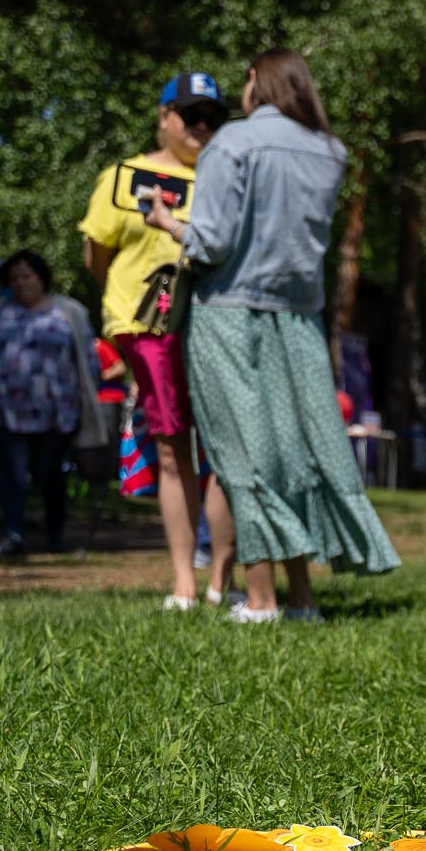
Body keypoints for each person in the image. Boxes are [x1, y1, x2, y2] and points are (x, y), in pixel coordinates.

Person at [145, 47, 398, 623]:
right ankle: (302, 600)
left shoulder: (231, 143)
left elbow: (211, 243)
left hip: (229, 314)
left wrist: (167, 223)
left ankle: (260, 602)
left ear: (256, 80)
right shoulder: (329, 151)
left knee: (244, 457)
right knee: (293, 456)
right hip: (299, 317)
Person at [81, 72, 231, 608]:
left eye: (213, 117)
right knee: (171, 446)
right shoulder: (123, 177)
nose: (202, 127)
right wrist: (132, 309)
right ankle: (184, 583)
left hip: (217, 325)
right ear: (164, 117)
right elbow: (97, 254)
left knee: (226, 449)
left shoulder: (227, 177)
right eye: (191, 115)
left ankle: (223, 581)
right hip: (148, 328)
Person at [0, 251, 104, 555]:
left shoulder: (68, 311)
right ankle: (13, 533)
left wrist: (87, 398)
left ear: (42, 278)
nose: (20, 282)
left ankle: (55, 535)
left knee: (50, 471)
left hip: (56, 411)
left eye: (27, 276)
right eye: (14, 278)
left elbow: (88, 361)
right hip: (4, 410)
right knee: (12, 472)